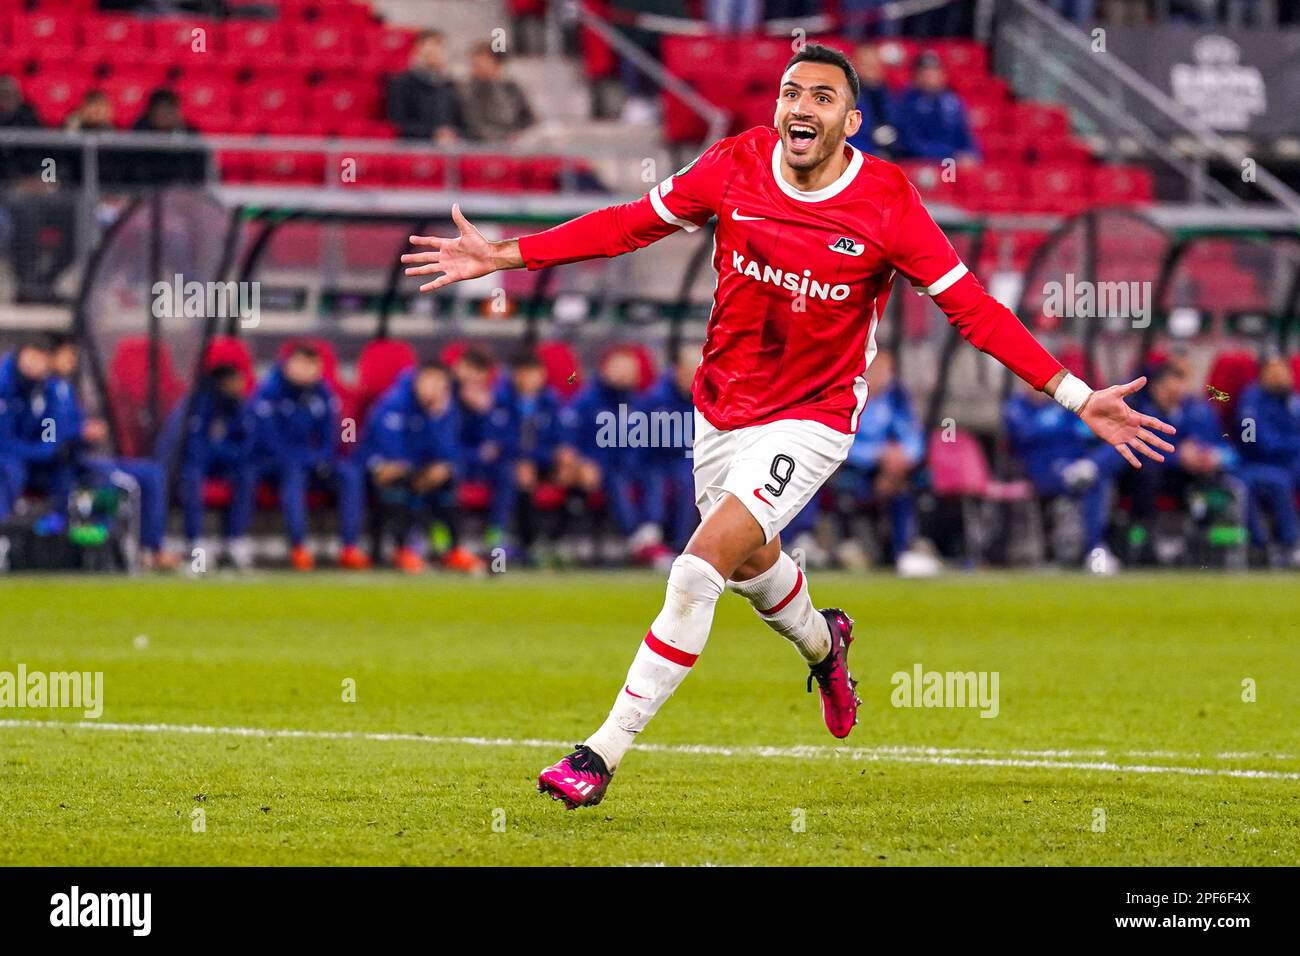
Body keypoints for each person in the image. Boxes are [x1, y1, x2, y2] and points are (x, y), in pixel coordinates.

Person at [403, 43, 1174, 809]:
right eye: (790, 93)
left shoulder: (886, 201)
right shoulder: (734, 164)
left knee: (697, 567)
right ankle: (824, 642)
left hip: (812, 417)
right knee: (745, 566)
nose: (802, 107)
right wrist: (506, 255)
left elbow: (972, 309)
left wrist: (1076, 396)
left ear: (852, 119)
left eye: (822, 97)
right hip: (720, 408)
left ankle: (600, 752)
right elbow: (630, 224)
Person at [233, 343, 370, 571]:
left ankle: (349, 547)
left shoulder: (324, 394)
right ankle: (298, 546)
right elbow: (268, 440)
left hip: (311, 461)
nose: (306, 371)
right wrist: (305, 459)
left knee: (349, 473)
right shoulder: (267, 392)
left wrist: (322, 458)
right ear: (288, 365)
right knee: (293, 473)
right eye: (301, 364)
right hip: (271, 465)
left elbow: (335, 434)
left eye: (312, 366)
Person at [47, 335, 177, 569]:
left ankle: (153, 547)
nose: (72, 362)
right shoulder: (45, 391)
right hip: (67, 463)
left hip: (85, 456)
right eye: (68, 356)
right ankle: (113, 549)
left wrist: (88, 433)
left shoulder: (66, 389)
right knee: (124, 484)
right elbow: (48, 433)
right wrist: (80, 432)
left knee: (152, 473)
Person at [1125, 360, 1235, 565]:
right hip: (1157, 475)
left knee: (1214, 481)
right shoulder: (1143, 412)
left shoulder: (1197, 411)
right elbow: (1143, 449)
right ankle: (1148, 542)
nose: (1173, 396)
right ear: (1156, 389)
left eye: (1177, 390)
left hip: (1190, 476)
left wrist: (1211, 456)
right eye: (1168, 390)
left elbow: (1224, 448)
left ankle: (1206, 546)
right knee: (1147, 474)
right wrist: (1179, 457)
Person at [1003, 378, 1119, 572]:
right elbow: (1025, 435)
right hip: (1043, 469)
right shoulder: (1016, 407)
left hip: (1076, 462)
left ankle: (1095, 548)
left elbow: (1085, 432)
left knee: (1110, 456)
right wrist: (1060, 428)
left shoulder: (1064, 406)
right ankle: (1094, 549)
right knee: (1091, 480)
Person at [833, 349, 931, 572]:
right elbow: (840, 443)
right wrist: (877, 454)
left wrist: (901, 457)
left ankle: (905, 551)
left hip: (892, 470)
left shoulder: (896, 397)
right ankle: (853, 547)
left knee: (910, 483)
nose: (881, 376)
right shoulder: (847, 397)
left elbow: (914, 438)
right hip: (856, 468)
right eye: (875, 369)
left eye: (886, 370)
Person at [360, 362, 461, 574]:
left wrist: (435, 420)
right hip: (375, 467)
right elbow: (391, 451)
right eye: (430, 381)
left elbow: (446, 452)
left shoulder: (443, 409)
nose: (434, 388)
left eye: (440, 384)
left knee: (446, 480)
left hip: (414, 468)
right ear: (418, 380)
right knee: (399, 482)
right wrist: (418, 470)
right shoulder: (393, 402)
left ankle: (452, 550)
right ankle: (402, 549)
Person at [155, 363, 251, 567]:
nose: (241, 385)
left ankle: (234, 540)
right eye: (236, 380)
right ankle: (195, 543)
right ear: (223, 382)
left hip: (222, 463)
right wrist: (223, 451)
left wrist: (229, 454)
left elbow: (245, 441)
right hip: (189, 463)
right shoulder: (198, 404)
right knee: (193, 478)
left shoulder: (238, 405)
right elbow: (195, 446)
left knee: (246, 474)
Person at [1235, 353, 1300, 566]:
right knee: (1274, 482)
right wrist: (1291, 445)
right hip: (1255, 464)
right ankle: (1285, 545)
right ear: (1263, 374)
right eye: (1275, 371)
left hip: (1290, 462)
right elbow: (1254, 442)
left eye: (1284, 370)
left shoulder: (1293, 401)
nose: (1281, 376)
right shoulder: (1250, 401)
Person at [896, 51, 978, 163]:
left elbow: (965, 136)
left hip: (952, 163)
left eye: (934, 72)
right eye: (925, 73)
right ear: (916, 76)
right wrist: (951, 154)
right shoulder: (905, 103)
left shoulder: (953, 102)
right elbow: (911, 143)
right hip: (922, 163)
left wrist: (972, 155)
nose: (931, 78)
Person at [386, 29, 464, 144]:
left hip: (448, 149)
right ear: (416, 51)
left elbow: (460, 122)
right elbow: (398, 123)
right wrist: (433, 133)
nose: (435, 53)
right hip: (414, 148)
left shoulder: (450, 85)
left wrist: (453, 133)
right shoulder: (401, 83)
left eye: (439, 47)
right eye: (429, 51)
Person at [459, 44, 535, 144]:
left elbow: (529, 117)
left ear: (496, 64)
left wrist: (520, 133)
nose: (475, 68)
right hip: (490, 143)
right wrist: (505, 137)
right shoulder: (469, 91)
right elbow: (476, 126)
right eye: (474, 64)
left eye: (481, 63)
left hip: (517, 138)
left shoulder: (511, 87)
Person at [846, 44, 901, 159]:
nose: (872, 69)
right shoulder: (846, 98)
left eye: (876, 64)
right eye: (866, 64)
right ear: (853, 66)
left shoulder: (887, 94)